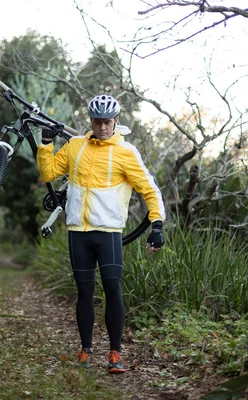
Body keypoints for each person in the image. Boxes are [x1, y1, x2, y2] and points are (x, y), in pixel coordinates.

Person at [37, 94, 165, 374]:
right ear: (90, 120)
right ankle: (85, 352)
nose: (103, 127)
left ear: (116, 121)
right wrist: (46, 143)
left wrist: (157, 225)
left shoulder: (126, 152)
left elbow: (149, 189)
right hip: (78, 232)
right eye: (97, 121)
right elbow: (47, 174)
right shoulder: (74, 146)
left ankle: (115, 355)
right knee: (84, 291)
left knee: (112, 289)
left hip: (108, 233)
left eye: (107, 122)